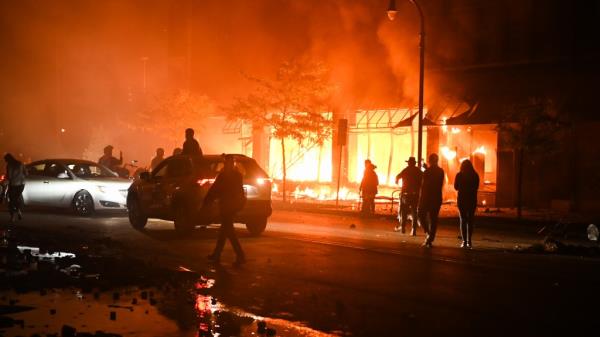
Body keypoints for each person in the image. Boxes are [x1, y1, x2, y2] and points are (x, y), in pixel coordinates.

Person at [204, 154, 246, 265]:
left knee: (229, 232)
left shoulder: (229, 176)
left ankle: (240, 255)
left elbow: (215, 190)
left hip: (229, 207)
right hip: (227, 206)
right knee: (224, 231)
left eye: (229, 163)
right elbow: (215, 189)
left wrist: (207, 201)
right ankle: (217, 254)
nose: (228, 164)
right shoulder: (234, 175)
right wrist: (208, 200)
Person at [418, 153, 445, 247]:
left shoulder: (428, 172)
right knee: (433, 219)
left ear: (430, 161)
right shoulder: (441, 171)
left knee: (421, 214)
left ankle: (428, 234)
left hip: (427, 198)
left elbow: (425, 185)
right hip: (436, 198)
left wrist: (426, 170)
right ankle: (430, 237)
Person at [454, 159, 480, 249]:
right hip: (472, 199)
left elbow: (456, 187)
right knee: (470, 220)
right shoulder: (475, 175)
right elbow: (477, 187)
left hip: (462, 200)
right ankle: (470, 241)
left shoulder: (459, 175)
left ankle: (464, 241)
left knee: (463, 219)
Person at [395, 157, 423, 235]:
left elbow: (397, 177)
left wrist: (397, 182)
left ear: (409, 163)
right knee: (414, 211)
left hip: (405, 194)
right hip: (415, 194)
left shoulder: (406, 170)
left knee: (404, 211)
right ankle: (413, 230)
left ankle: (403, 227)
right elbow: (423, 180)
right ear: (414, 163)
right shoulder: (418, 171)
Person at [4, 153, 26, 223]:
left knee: (12, 200)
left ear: (8, 159)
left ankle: (13, 217)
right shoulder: (20, 163)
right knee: (16, 198)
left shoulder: (9, 165)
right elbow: (26, 173)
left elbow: (9, 176)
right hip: (21, 184)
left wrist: (5, 183)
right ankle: (19, 211)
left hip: (13, 184)